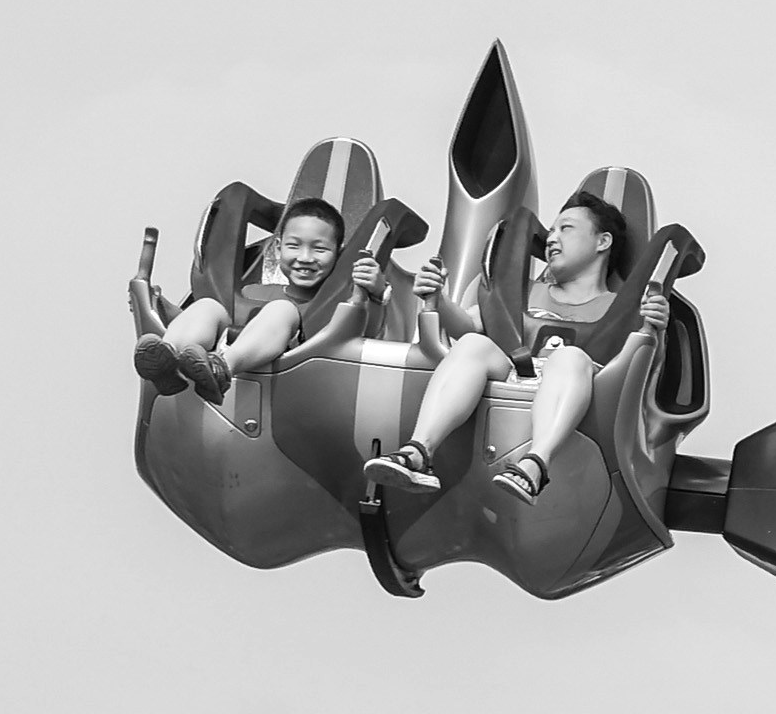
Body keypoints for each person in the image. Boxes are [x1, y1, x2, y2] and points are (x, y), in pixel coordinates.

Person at [364, 191, 668, 505]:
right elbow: (469, 327)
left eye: (566, 229)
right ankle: (418, 452)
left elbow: (642, 370)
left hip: (582, 391)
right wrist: (438, 299)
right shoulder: (523, 294)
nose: (552, 238)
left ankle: (536, 463)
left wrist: (653, 328)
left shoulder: (625, 309)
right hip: (514, 376)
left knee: (569, 357)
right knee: (471, 345)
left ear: (602, 242)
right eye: (550, 231)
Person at [136, 196, 385, 404]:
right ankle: (167, 360)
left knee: (282, 310)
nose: (305, 257)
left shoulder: (335, 303)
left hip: (291, 369)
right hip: (218, 353)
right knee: (208, 307)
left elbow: (364, 331)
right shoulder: (254, 292)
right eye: (294, 246)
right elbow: (206, 325)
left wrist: (375, 292)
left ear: (338, 254)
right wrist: (158, 306)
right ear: (277, 249)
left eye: (319, 249)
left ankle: (221, 369)